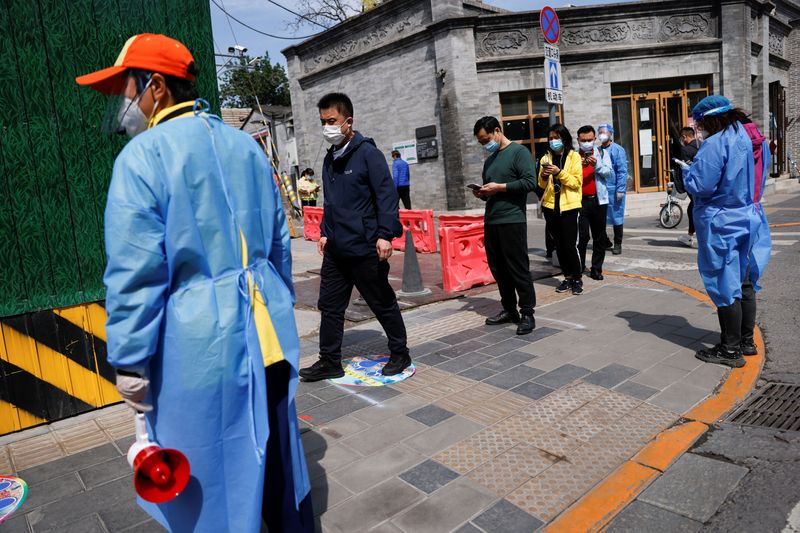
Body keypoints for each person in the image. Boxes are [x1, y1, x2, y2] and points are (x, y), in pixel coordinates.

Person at [76, 34, 312, 532]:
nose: (124, 105)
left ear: (156, 87)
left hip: (199, 350)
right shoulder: (244, 148)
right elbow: (279, 246)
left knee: (211, 478)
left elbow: (136, 277)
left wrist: (131, 364)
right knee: (280, 469)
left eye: (126, 91)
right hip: (268, 337)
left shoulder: (142, 159)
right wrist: (278, 305)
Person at [299, 93, 410, 381]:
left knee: (380, 301)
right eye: (323, 122)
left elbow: (386, 197)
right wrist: (325, 233)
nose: (327, 127)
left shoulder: (368, 154)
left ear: (349, 121)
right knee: (330, 306)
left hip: (365, 246)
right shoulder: (329, 158)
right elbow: (331, 202)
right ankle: (329, 361)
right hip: (337, 248)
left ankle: (400, 352)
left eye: (332, 121)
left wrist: (385, 235)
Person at [682, 95, 772, 368]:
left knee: (724, 283)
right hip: (751, 215)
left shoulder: (716, 143)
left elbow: (701, 186)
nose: (699, 128)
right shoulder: (754, 138)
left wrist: (687, 173)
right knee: (745, 280)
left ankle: (730, 350)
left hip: (722, 221)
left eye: (700, 123)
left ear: (710, 119)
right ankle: (746, 341)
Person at [472, 116, 537, 335]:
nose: (485, 144)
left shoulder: (519, 153)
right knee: (499, 270)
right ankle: (509, 309)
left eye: (486, 139)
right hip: (492, 220)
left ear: (498, 130)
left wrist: (499, 187)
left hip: (512, 220)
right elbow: (489, 193)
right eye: (481, 142)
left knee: (518, 268)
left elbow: (530, 182)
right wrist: (481, 193)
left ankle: (527, 312)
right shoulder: (490, 160)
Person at [538, 124, 584, 295]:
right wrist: (543, 175)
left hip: (570, 207)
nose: (553, 141)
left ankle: (577, 278)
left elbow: (575, 183)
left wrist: (559, 172)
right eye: (550, 138)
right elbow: (541, 185)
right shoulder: (545, 158)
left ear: (564, 139)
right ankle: (567, 277)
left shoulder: (574, 157)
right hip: (551, 207)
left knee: (570, 245)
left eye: (556, 137)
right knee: (559, 245)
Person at [576, 125, 612, 280]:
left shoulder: (602, 153)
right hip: (580, 201)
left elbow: (609, 173)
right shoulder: (573, 156)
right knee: (582, 237)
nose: (587, 143)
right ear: (578, 140)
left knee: (599, 236)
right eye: (583, 140)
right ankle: (579, 267)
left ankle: (596, 269)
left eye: (589, 140)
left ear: (594, 139)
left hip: (598, 200)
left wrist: (596, 165)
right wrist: (580, 166)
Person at [597, 124, 629, 255]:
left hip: (614, 189)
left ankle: (618, 243)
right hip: (601, 189)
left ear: (611, 134)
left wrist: (620, 189)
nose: (601, 135)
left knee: (617, 217)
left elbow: (622, 171)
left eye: (604, 132)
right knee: (600, 218)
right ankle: (605, 241)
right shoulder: (597, 150)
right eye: (599, 132)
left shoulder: (617, 150)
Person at [677, 127, 700, 248]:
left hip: (693, 184)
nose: (682, 140)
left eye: (682, 138)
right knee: (693, 208)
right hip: (704, 182)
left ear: (685, 137)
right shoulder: (702, 145)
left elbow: (686, 168)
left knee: (694, 209)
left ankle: (693, 237)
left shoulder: (685, 150)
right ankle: (691, 235)